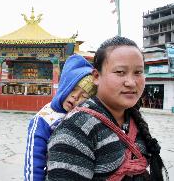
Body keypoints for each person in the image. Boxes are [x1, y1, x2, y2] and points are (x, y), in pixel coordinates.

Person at [46, 36, 168, 181]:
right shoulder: (76, 129)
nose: (131, 82)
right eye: (120, 72)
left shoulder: (133, 120)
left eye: (138, 72)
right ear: (96, 76)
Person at [24, 54, 97, 181]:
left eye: (84, 96)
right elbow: (34, 159)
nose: (75, 96)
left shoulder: (85, 117)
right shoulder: (44, 119)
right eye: (73, 89)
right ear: (65, 86)